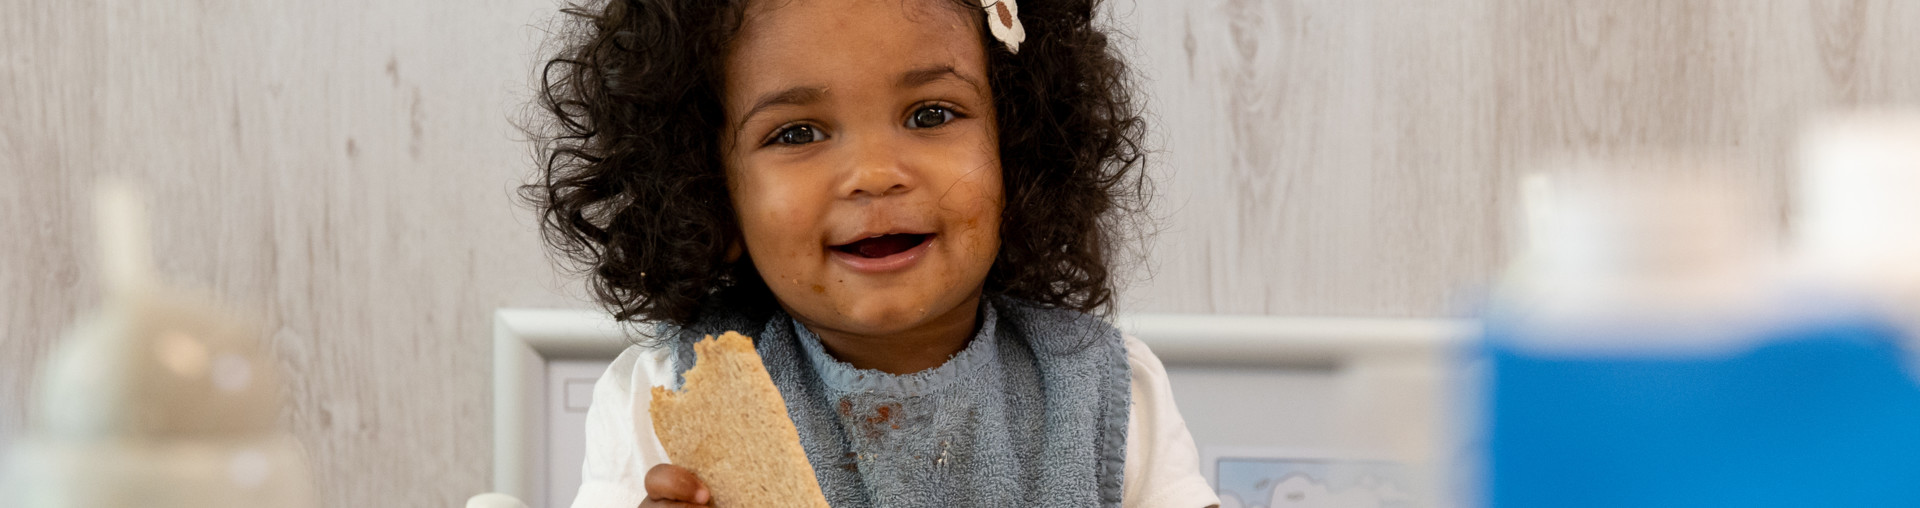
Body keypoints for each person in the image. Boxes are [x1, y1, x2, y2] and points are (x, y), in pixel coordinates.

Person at [525, 0, 1217, 506]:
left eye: (931, 115)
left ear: (1020, 152)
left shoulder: (1108, 391)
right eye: (797, 133)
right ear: (708, 193)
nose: (876, 172)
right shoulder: (659, 397)